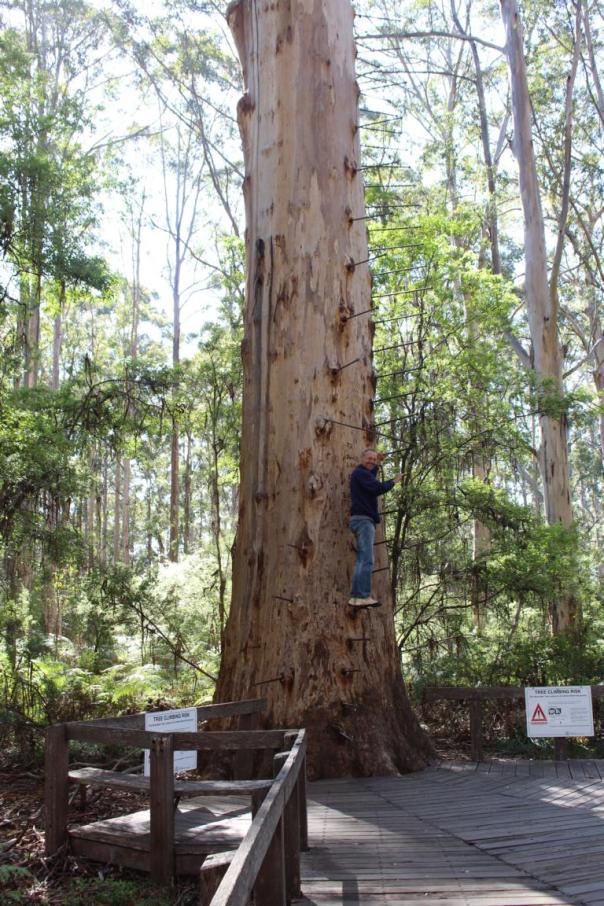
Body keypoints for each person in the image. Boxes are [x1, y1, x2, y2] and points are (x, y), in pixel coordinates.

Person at [348, 448, 402, 608]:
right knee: (365, 559)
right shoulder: (360, 473)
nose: (372, 461)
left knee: (364, 558)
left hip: (362, 519)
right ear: (361, 459)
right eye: (369, 458)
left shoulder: (363, 474)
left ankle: (360, 597)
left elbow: (371, 479)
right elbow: (377, 488)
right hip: (363, 520)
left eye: (374, 458)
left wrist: (378, 463)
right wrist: (394, 481)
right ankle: (359, 596)